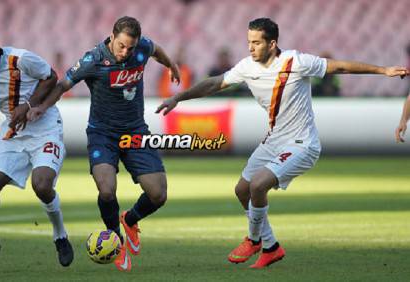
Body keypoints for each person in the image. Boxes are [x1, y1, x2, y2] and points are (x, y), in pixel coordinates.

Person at [157, 18, 408, 269]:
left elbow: (339, 67)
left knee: (258, 185)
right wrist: (178, 97)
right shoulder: (247, 66)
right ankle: (271, 247)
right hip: (273, 141)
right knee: (242, 190)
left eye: (256, 43)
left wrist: (383, 70)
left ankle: (254, 240)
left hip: (302, 143)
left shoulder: (296, 62)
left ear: (272, 43)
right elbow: (214, 83)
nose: (251, 47)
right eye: (249, 42)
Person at [27, 16, 180, 272]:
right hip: (103, 134)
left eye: (130, 48)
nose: (126, 52)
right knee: (107, 190)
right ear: (112, 36)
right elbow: (64, 83)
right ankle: (115, 241)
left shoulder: (141, 47)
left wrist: (171, 65)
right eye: (121, 46)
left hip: (135, 132)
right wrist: (42, 107)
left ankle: (130, 219)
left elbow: (156, 50)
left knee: (158, 195)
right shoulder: (93, 59)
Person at [0, 25, 73, 267]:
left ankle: (60, 236)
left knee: (41, 185)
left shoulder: (21, 59)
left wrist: (29, 105)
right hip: (15, 134)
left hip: (46, 128)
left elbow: (51, 77)